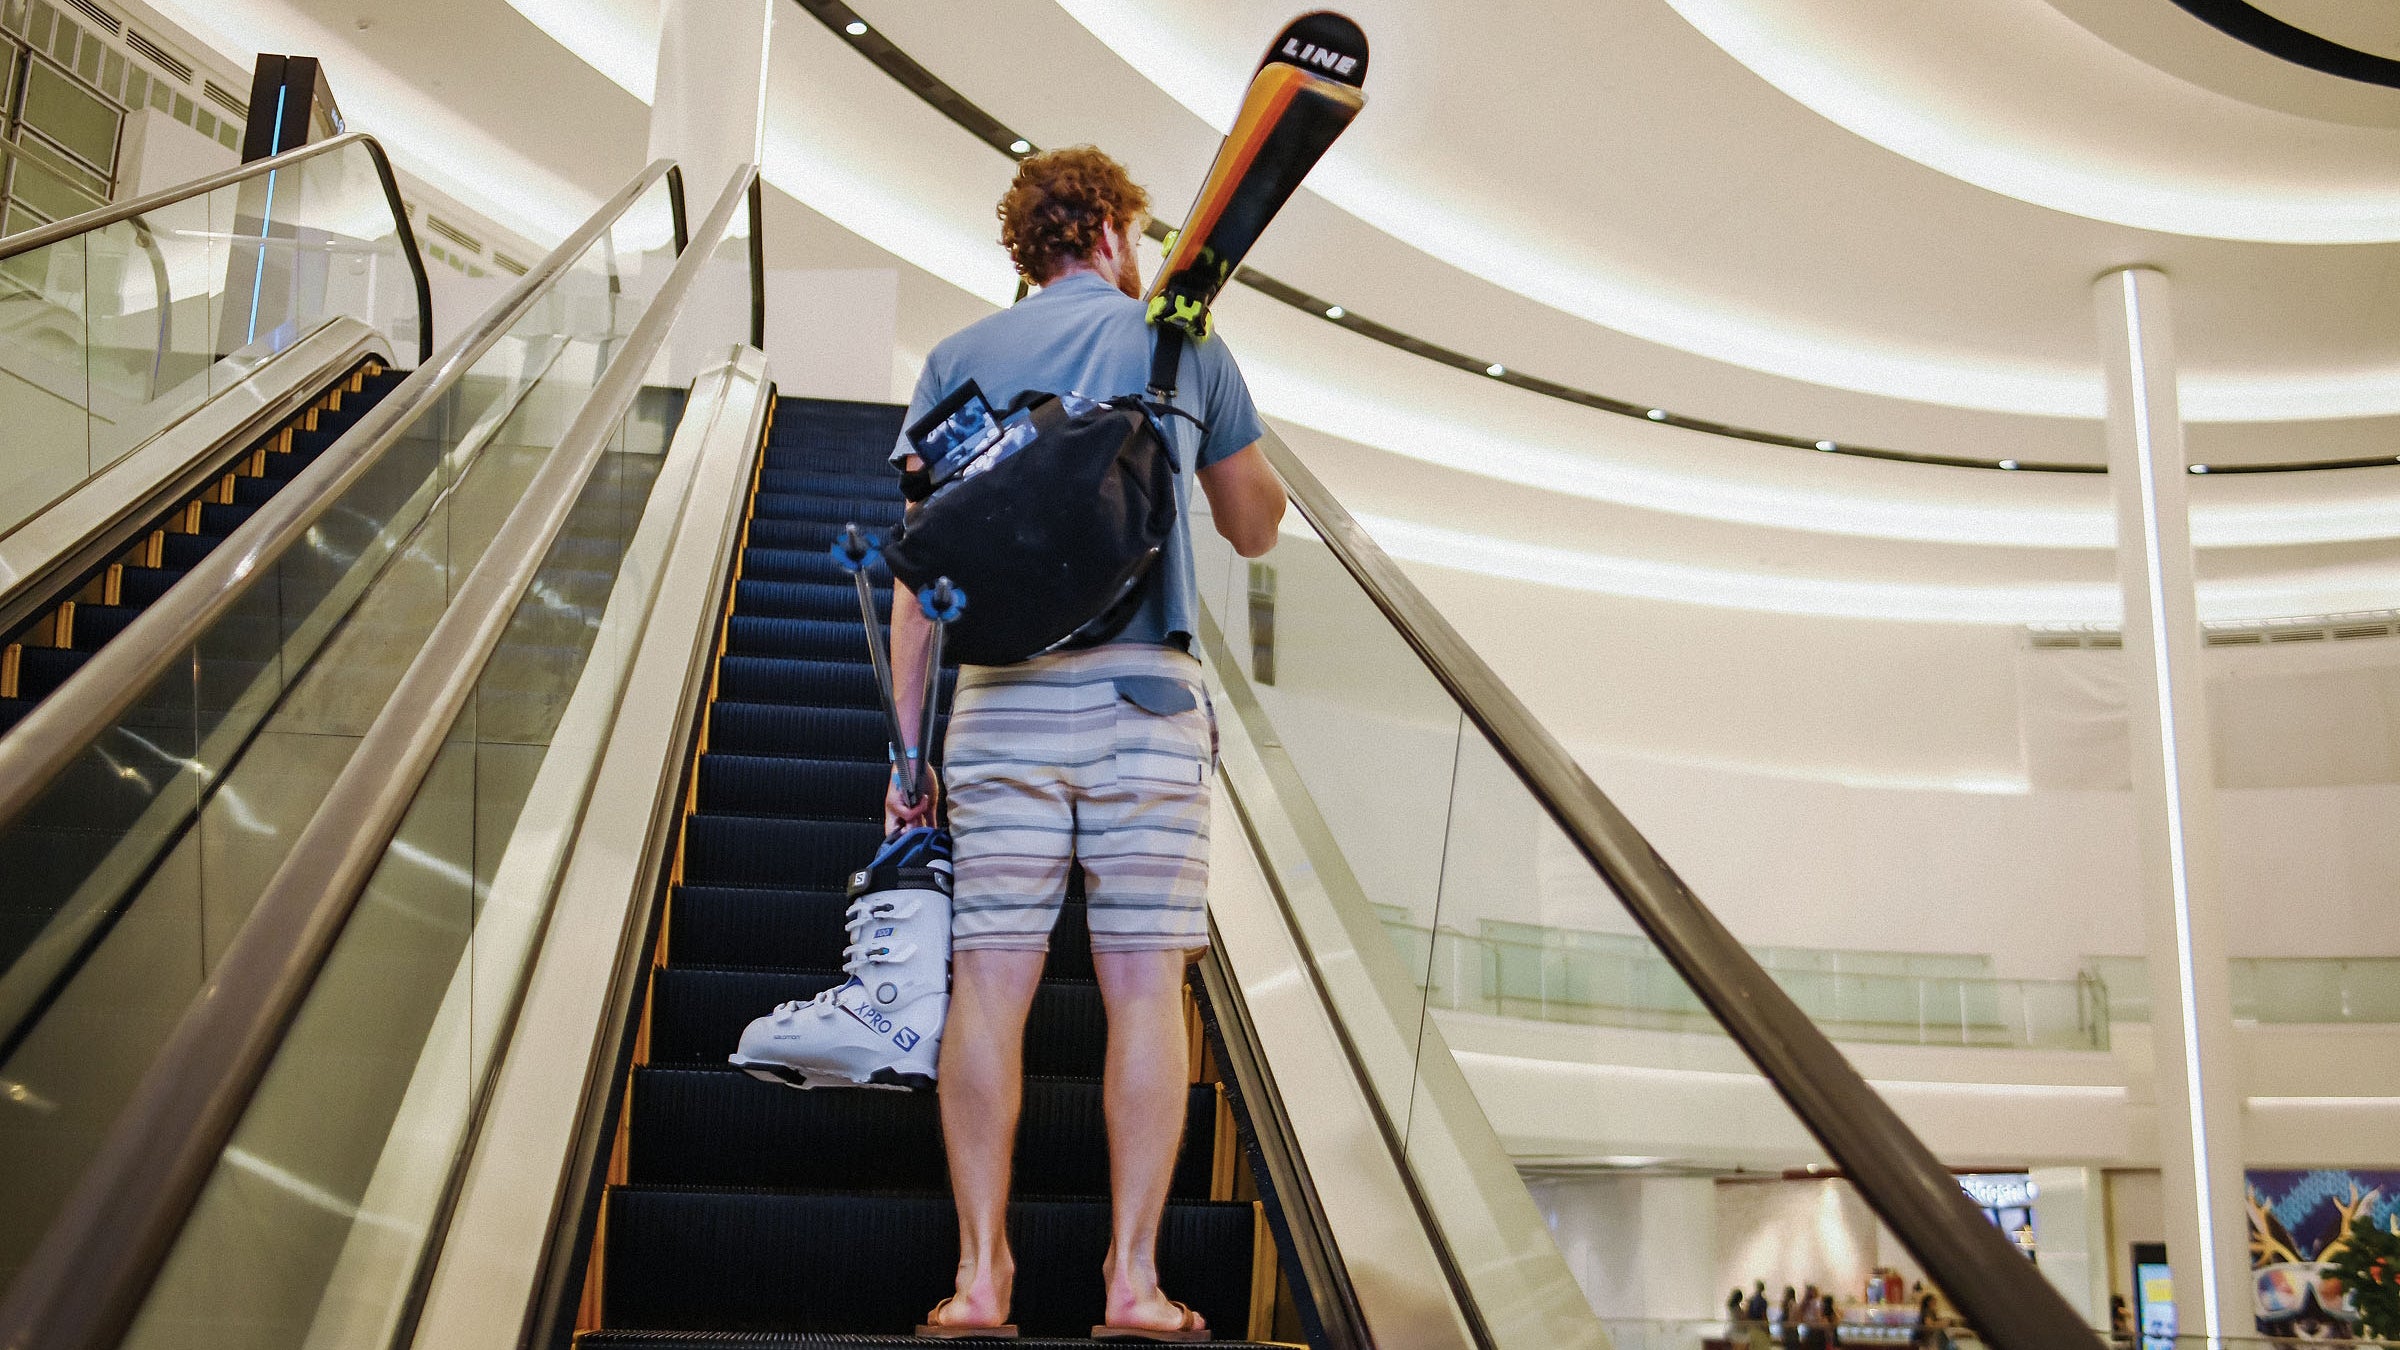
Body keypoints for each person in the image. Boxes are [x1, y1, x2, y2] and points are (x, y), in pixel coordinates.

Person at [886, 146, 1284, 1339]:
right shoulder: (1181, 342)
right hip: (1146, 703)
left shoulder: (957, 360)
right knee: (1144, 988)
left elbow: (918, 583)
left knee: (989, 985)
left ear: (1028, 247)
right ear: (1112, 231)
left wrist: (907, 757)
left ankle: (980, 1280)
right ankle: (1132, 1283)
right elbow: (1255, 526)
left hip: (1000, 705)